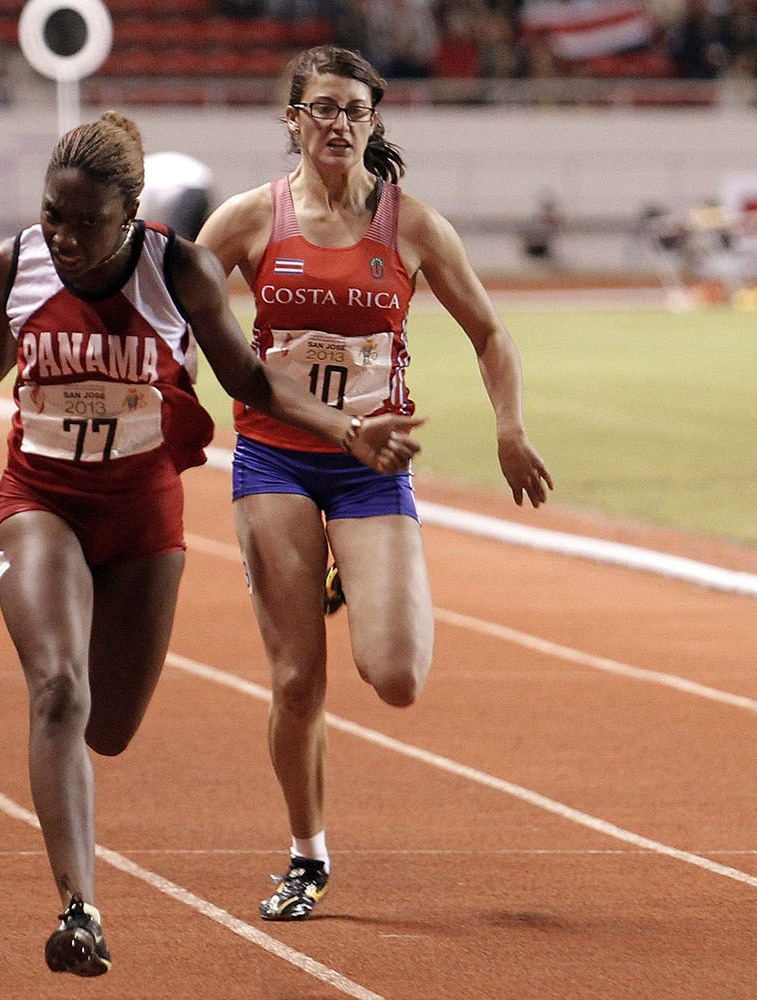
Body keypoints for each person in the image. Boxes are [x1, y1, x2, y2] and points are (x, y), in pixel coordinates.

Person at [0, 111, 420, 976]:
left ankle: (79, 848)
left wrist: (346, 429)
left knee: (108, 730)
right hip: (42, 499)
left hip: (143, 515)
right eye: (52, 215)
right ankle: (80, 911)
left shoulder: (182, 273)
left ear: (131, 214)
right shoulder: (16, 262)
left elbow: (249, 378)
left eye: (85, 222)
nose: (63, 237)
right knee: (59, 691)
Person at [194, 44, 552, 922]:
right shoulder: (246, 221)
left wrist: (509, 428)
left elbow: (491, 333)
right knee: (294, 681)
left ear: (374, 121)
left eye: (354, 109)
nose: (337, 123)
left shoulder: (413, 228)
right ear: (292, 120)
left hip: (372, 467)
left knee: (397, 676)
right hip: (274, 458)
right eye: (321, 108)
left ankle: (343, 567)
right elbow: (183, 318)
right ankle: (306, 851)